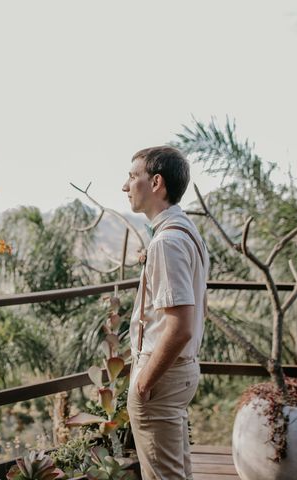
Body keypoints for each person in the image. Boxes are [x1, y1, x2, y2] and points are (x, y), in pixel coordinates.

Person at [122, 146, 209, 480]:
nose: (125, 186)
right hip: (180, 372)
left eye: (133, 176)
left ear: (156, 182)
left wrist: (143, 383)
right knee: (176, 471)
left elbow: (179, 327)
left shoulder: (167, 242)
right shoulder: (185, 231)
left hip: (162, 378)